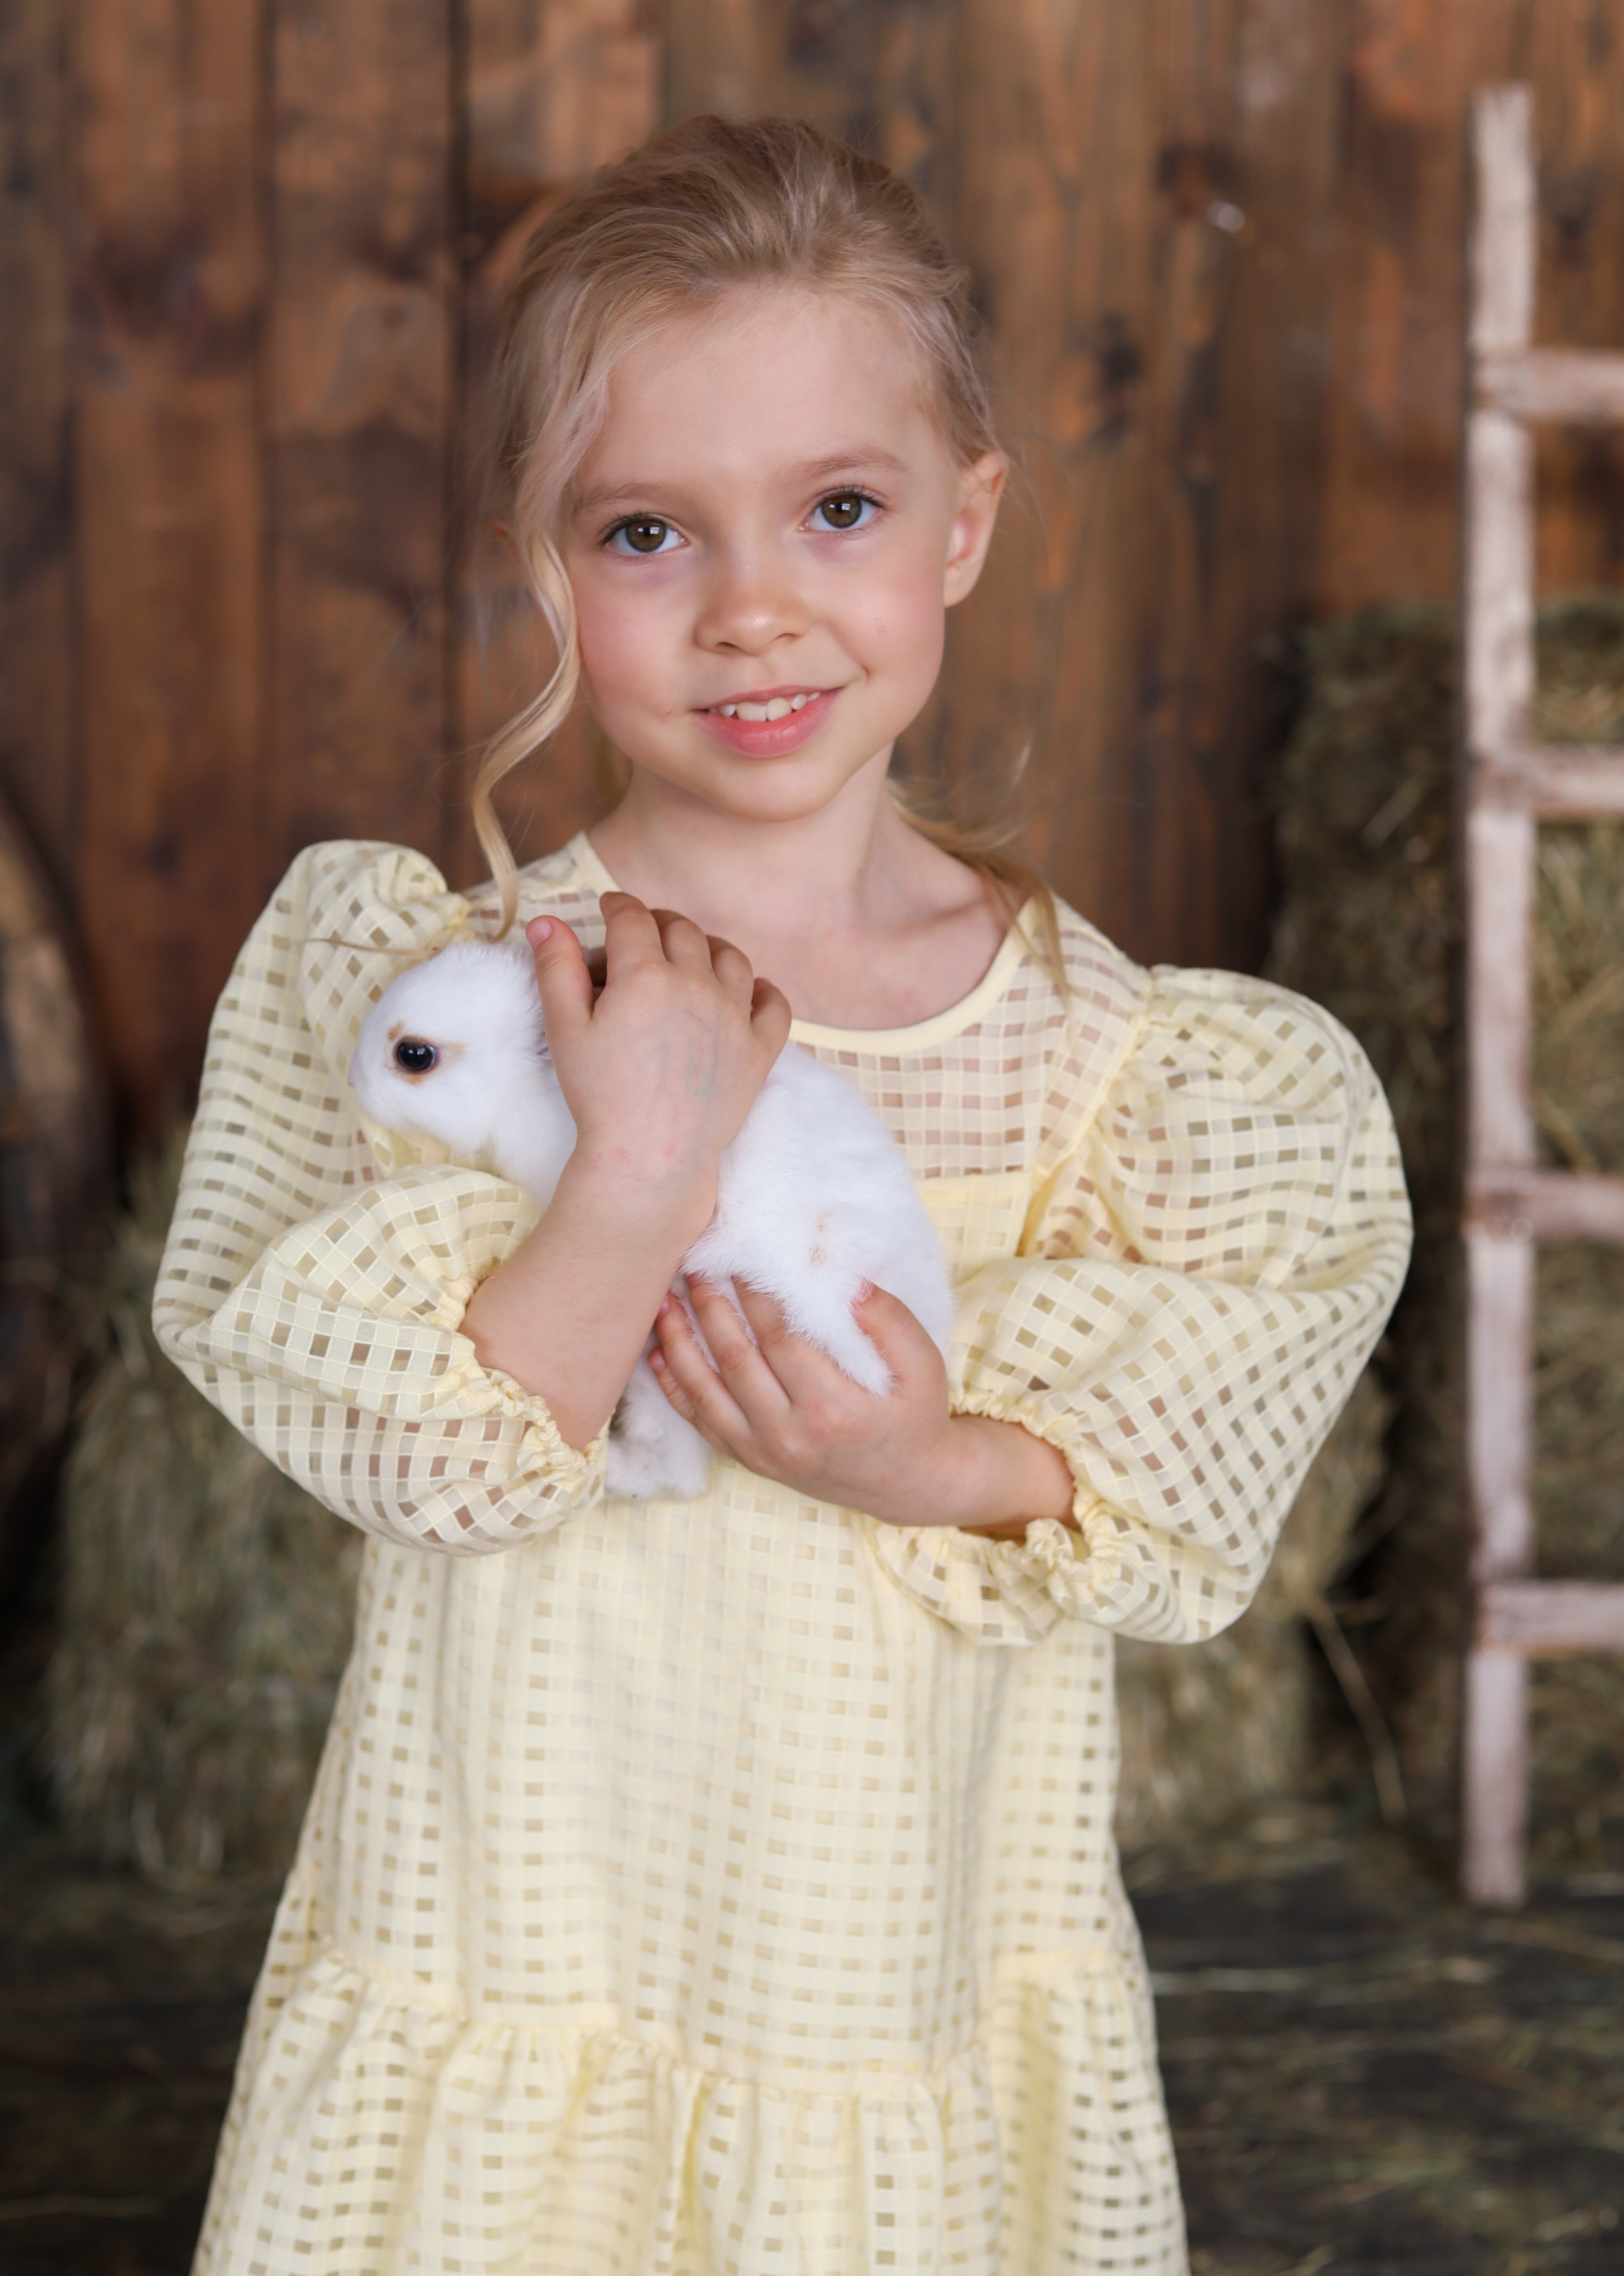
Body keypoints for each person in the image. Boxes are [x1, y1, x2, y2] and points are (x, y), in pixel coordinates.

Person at [156, 115, 1411, 2276]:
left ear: (963, 525)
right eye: (648, 529)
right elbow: (432, 1457)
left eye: (840, 507)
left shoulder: (1128, 1073)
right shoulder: (444, 1004)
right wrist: (636, 1169)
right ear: (548, 565)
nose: (752, 608)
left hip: (877, 1955)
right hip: (521, 1916)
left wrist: (924, 1457)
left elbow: (1169, 1493)